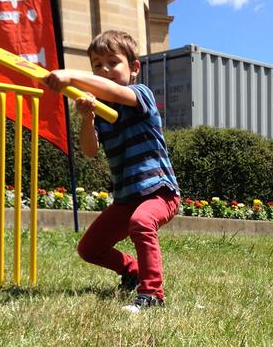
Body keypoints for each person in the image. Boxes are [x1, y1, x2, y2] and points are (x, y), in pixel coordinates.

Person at [44, 30, 180, 313]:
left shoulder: (141, 95)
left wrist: (71, 76)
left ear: (134, 68)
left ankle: (152, 293)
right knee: (90, 248)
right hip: (125, 198)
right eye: (96, 65)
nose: (104, 70)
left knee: (142, 222)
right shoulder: (101, 111)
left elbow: (115, 91)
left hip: (159, 192)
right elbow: (90, 150)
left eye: (112, 62)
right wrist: (87, 118)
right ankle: (132, 271)